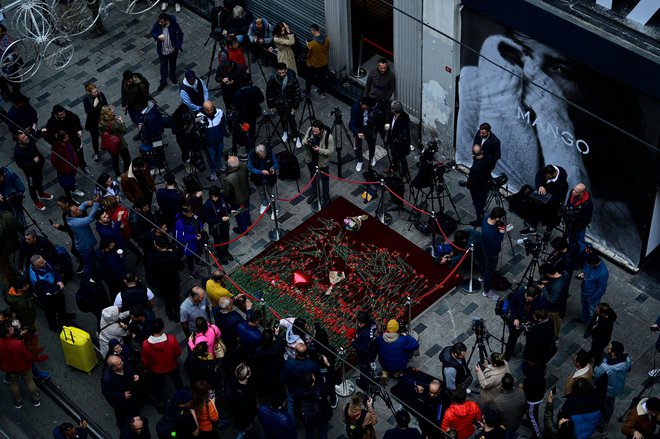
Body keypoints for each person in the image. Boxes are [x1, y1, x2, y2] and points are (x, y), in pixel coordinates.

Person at [141, 317, 183, 411]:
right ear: (162, 329)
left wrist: (146, 368)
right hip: (172, 365)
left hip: (156, 370)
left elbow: (145, 360)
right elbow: (178, 353)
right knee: (178, 381)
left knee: (158, 387)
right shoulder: (171, 339)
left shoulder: (146, 344)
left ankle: (161, 403)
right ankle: (182, 398)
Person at [28, 254, 75, 331]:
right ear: (36, 266)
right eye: (42, 262)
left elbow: (53, 270)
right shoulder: (37, 279)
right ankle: (53, 326)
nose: (45, 262)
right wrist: (59, 286)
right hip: (47, 295)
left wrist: (59, 280)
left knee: (61, 301)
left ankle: (63, 315)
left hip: (54, 285)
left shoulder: (44, 263)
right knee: (50, 310)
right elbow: (47, 291)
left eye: (43, 260)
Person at [519, 164, 569, 236]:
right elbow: (538, 175)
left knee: (550, 218)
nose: (545, 178)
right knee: (534, 211)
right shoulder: (546, 170)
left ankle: (548, 232)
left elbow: (559, 197)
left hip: (552, 203)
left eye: (547, 177)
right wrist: (540, 186)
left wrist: (547, 199)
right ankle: (532, 228)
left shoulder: (563, 184)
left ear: (554, 174)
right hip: (541, 199)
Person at [0, 323, 41, 409]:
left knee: (14, 383)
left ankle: (18, 401)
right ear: (7, 334)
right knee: (29, 382)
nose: (12, 328)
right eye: (10, 329)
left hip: (10, 368)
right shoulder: (18, 344)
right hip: (23, 367)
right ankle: (36, 399)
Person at [144, 236, 183, 321]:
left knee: (166, 299)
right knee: (176, 298)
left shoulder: (151, 257)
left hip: (162, 283)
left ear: (157, 246)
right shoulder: (172, 255)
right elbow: (181, 266)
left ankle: (170, 313)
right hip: (173, 281)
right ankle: (177, 314)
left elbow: (149, 271)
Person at [44, 104, 90, 176]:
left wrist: (79, 129)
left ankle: (83, 167)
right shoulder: (51, 123)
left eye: (63, 113)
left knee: (80, 156)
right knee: (69, 162)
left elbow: (76, 120)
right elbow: (48, 137)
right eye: (61, 114)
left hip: (75, 142)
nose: (63, 115)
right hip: (65, 147)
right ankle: (72, 175)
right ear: (55, 115)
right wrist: (57, 142)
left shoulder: (69, 114)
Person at [593, 341, 632, 426]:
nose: (607, 348)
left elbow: (596, 374)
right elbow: (628, 369)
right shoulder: (627, 360)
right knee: (610, 404)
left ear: (613, 353)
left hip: (605, 390)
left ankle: (600, 424)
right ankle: (606, 421)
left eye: (609, 347)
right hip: (617, 387)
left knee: (600, 406)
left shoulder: (605, 367)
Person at [504, 285, 547, 360]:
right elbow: (512, 304)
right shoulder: (519, 293)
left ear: (535, 296)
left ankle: (527, 355)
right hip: (517, 320)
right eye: (526, 298)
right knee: (512, 339)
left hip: (530, 323)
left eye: (529, 300)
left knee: (530, 340)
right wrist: (515, 318)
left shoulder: (541, 302)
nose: (527, 300)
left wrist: (531, 323)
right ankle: (507, 354)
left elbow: (541, 316)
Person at [13, 130, 52, 211]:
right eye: (23, 137)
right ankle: (36, 202)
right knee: (32, 186)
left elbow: (34, 136)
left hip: (38, 166)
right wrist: (32, 162)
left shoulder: (28, 140)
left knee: (39, 179)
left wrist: (41, 131)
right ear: (19, 141)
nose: (26, 137)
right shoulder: (18, 152)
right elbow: (21, 165)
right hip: (30, 172)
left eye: (25, 135)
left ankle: (41, 194)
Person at [266, 63, 302, 148]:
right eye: (280, 73)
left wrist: (295, 106)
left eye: (283, 72)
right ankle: (285, 132)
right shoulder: (273, 79)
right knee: (282, 118)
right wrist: (271, 105)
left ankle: (296, 136)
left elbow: (296, 93)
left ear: (286, 70)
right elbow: (269, 92)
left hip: (289, 103)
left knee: (291, 120)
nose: (281, 74)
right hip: (279, 103)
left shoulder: (292, 78)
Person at [280, 343, 320, 418]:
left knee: (291, 405)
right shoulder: (312, 364)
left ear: (295, 352)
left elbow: (283, 380)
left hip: (293, 389)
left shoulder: (289, 364)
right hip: (307, 390)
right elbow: (319, 377)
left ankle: (292, 423)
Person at [102, 355, 141, 429]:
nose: (122, 363)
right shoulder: (107, 379)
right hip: (120, 401)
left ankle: (135, 416)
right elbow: (107, 393)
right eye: (120, 364)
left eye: (121, 361)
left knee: (134, 406)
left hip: (130, 392)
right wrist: (122, 395)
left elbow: (129, 367)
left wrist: (134, 374)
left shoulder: (120, 361)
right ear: (113, 368)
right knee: (121, 413)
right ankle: (122, 425)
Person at [375, 319, 419, 384]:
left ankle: (385, 373)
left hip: (384, 364)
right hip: (399, 365)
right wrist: (406, 335)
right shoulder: (402, 339)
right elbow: (415, 345)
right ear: (397, 328)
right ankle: (396, 373)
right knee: (409, 350)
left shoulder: (379, 338)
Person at [302, 120, 335, 206]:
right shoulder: (310, 130)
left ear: (321, 130)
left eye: (316, 132)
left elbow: (331, 151)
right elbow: (304, 139)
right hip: (311, 159)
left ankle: (326, 195)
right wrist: (304, 142)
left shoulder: (328, 136)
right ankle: (314, 193)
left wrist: (319, 150)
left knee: (325, 179)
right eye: (313, 131)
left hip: (322, 162)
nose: (314, 133)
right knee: (313, 177)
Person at [151, 13, 184, 92]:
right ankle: (163, 81)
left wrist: (177, 46)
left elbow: (181, 35)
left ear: (167, 20)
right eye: (159, 21)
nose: (160, 23)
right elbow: (153, 32)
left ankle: (172, 76)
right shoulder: (158, 24)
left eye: (162, 21)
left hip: (172, 50)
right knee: (163, 67)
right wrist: (157, 36)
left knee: (172, 64)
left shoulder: (174, 25)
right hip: (162, 51)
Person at [574, 252, 609, 324]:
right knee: (584, 306)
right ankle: (583, 318)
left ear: (594, 264)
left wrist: (592, 299)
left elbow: (601, 289)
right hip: (585, 291)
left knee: (592, 312)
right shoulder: (589, 262)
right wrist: (583, 274)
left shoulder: (603, 273)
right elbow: (586, 270)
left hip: (593, 296)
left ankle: (590, 327)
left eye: (589, 264)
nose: (588, 265)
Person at [480, 206, 507, 301]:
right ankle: (487, 291)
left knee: (484, 261)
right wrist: (501, 232)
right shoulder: (490, 233)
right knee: (490, 272)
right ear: (498, 218)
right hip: (492, 253)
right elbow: (495, 245)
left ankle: (481, 276)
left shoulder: (486, 218)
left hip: (485, 247)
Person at [226, 362, 258, 437]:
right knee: (245, 433)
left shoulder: (233, 384)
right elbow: (251, 406)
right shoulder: (247, 390)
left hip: (237, 417)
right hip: (245, 418)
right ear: (247, 376)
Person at [230, 82, 264, 154]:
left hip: (243, 116)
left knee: (244, 131)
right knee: (252, 130)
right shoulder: (256, 89)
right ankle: (251, 146)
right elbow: (261, 99)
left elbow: (235, 107)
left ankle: (246, 145)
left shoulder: (238, 93)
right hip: (253, 114)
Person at [50, 131, 85, 201]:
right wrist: (63, 169)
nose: (68, 139)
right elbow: (53, 161)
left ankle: (74, 190)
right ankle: (69, 199)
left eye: (67, 137)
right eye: (66, 138)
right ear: (61, 139)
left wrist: (76, 161)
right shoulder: (56, 148)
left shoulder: (67, 143)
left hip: (72, 167)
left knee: (72, 180)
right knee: (66, 185)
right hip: (65, 171)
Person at [248, 143, 279, 219]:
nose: (264, 157)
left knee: (272, 194)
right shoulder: (251, 155)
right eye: (261, 156)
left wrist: (273, 168)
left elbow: (276, 163)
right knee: (261, 192)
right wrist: (260, 172)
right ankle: (264, 204)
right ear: (257, 154)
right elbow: (250, 167)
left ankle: (275, 209)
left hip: (270, 177)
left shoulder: (269, 152)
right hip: (258, 178)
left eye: (264, 154)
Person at [98, 105, 131, 177]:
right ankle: (126, 174)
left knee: (115, 160)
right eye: (111, 110)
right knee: (127, 159)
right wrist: (121, 121)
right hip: (120, 143)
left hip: (111, 145)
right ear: (108, 113)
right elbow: (124, 130)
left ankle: (118, 175)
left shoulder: (101, 122)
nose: (113, 109)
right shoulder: (114, 123)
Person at [222, 155, 252, 234]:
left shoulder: (228, 179)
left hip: (236, 200)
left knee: (238, 215)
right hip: (246, 194)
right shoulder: (243, 167)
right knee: (246, 209)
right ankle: (248, 221)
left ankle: (243, 229)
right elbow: (240, 164)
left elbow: (226, 193)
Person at [197, 100, 226, 181]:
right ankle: (213, 171)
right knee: (211, 157)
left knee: (219, 153)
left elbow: (223, 124)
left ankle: (219, 164)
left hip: (219, 140)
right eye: (207, 110)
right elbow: (199, 131)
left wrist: (222, 134)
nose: (209, 111)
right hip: (209, 144)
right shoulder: (199, 117)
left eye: (211, 109)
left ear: (213, 107)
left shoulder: (220, 112)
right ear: (203, 109)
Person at [563, 183, 593, 260]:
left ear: (582, 193)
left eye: (576, 191)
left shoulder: (587, 204)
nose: (573, 192)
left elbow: (587, 219)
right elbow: (569, 204)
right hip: (570, 223)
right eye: (574, 189)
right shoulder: (573, 193)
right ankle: (572, 253)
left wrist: (578, 228)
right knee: (571, 240)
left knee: (580, 243)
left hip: (579, 226)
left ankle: (579, 258)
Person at [491, 373, 526, 439]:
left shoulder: (497, 400)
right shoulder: (521, 392)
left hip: (505, 426)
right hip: (517, 422)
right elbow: (524, 408)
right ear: (513, 384)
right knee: (513, 433)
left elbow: (494, 417)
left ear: (502, 385)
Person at [204, 186, 233, 265]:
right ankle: (221, 255)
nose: (214, 199)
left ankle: (226, 252)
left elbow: (227, 207)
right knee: (218, 242)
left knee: (226, 240)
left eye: (216, 196)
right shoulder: (207, 205)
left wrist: (231, 211)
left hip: (225, 225)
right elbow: (208, 220)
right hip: (215, 228)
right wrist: (221, 219)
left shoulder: (222, 198)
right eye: (212, 197)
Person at [466, 144, 494, 226]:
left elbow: (471, 182)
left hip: (477, 188)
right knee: (484, 198)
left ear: (472, 153)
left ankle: (479, 219)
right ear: (482, 151)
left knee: (477, 204)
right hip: (486, 184)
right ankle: (482, 206)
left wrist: (468, 185)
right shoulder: (489, 159)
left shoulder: (475, 168)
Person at [351, 311, 379, 391]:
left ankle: (364, 385)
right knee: (372, 364)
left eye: (360, 323)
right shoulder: (372, 323)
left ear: (365, 322)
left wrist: (353, 342)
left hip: (366, 355)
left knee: (364, 370)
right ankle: (375, 378)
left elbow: (361, 349)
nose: (358, 325)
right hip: (373, 349)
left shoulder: (365, 335)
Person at [538, 263, 568, 338]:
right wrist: (549, 283)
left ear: (548, 274)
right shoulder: (565, 273)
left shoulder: (556, 286)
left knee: (554, 323)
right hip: (561, 299)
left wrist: (543, 289)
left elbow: (551, 300)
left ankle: (555, 337)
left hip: (553, 308)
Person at [349, 96, 378, 172]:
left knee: (371, 143)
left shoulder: (370, 106)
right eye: (365, 107)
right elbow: (351, 124)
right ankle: (360, 161)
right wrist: (357, 133)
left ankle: (372, 157)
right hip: (359, 128)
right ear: (362, 104)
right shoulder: (355, 108)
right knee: (358, 146)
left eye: (368, 107)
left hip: (369, 127)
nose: (366, 109)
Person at [175, 204, 205, 277]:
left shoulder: (193, 214)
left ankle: (198, 260)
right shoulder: (180, 223)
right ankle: (192, 270)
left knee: (199, 250)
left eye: (192, 212)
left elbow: (198, 220)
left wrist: (201, 227)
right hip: (189, 244)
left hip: (198, 239)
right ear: (184, 213)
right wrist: (194, 236)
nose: (191, 214)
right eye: (189, 213)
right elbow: (180, 238)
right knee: (190, 258)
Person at [82, 82, 109, 163]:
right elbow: (89, 113)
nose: (96, 93)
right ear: (89, 92)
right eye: (94, 92)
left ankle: (107, 146)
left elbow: (105, 105)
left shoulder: (100, 94)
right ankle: (96, 152)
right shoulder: (86, 100)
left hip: (102, 119)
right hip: (93, 122)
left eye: (96, 91)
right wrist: (94, 104)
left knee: (105, 134)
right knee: (95, 138)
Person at [385, 100, 411, 180]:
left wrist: (395, 141)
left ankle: (404, 172)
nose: (390, 109)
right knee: (393, 155)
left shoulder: (404, 118)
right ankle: (394, 167)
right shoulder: (392, 115)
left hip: (401, 143)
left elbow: (402, 134)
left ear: (395, 110)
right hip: (392, 140)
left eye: (391, 108)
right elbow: (389, 121)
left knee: (402, 158)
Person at [522, 355, 546, 439]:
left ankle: (537, 434)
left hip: (533, 399)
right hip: (537, 395)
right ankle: (529, 422)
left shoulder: (533, 376)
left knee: (532, 417)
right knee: (530, 413)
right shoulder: (540, 366)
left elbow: (530, 387)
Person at [305, 24, 330, 98]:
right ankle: (321, 93)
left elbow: (308, 54)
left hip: (313, 64)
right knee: (323, 78)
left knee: (309, 78)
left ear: (312, 31)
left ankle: (307, 93)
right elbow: (327, 49)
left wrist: (307, 44)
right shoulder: (327, 39)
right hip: (323, 63)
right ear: (319, 30)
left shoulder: (311, 44)